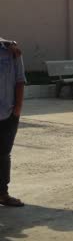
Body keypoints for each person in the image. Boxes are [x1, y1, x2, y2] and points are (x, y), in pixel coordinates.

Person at [0, 37, 25, 207]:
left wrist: (17, 109)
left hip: (7, 113)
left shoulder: (11, 51)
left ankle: (2, 193)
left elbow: (20, 80)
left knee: (3, 155)